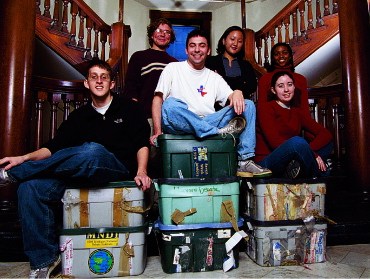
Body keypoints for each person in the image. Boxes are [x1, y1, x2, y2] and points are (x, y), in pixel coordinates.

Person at [0, 59, 151, 279]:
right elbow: (52, 148)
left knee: (91, 151)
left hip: (116, 170)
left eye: (104, 77)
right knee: (29, 188)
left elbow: (142, 144)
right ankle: (44, 261)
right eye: (94, 77)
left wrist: (142, 171)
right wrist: (23, 158)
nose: (99, 81)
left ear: (111, 83)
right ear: (86, 84)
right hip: (78, 176)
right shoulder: (78, 116)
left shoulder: (130, 108)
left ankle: (10, 175)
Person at [150, 29, 271, 178]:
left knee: (248, 105)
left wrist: (237, 92)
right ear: (186, 50)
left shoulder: (214, 77)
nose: (197, 50)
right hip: (181, 124)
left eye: (202, 46)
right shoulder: (173, 68)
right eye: (192, 45)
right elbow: (158, 100)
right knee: (170, 105)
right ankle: (215, 133)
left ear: (208, 51)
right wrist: (157, 131)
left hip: (207, 120)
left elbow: (231, 97)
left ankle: (244, 161)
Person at [255, 71, 333, 179]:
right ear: (273, 90)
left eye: (290, 84)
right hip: (267, 162)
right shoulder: (265, 108)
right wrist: (313, 154)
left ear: (294, 87)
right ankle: (318, 174)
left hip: (292, 158)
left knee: (327, 143)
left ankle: (298, 171)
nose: (286, 89)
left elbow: (325, 134)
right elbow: (275, 143)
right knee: (298, 141)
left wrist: (309, 150)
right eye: (280, 86)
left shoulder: (297, 111)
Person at [123, 18, 177, 120]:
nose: (162, 34)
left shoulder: (174, 63)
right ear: (152, 35)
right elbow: (130, 86)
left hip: (168, 118)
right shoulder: (139, 56)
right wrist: (135, 112)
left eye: (167, 32)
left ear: (170, 37)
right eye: (158, 30)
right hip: (144, 116)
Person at [205, 26, 257, 101]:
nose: (235, 43)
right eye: (232, 39)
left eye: (239, 41)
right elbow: (208, 87)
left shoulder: (246, 65)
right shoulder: (211, 62)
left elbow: (252, 86)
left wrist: (222, 81)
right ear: (224, 41)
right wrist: (240, 84)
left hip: (241, 104)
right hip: (217, 106)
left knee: (249, 104)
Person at [257, 42, 309, 114]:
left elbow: (305, 108)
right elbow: (261, 108)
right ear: (273, 58)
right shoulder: (265, 79)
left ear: (290, 56)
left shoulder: (301, 79)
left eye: (285, 53)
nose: (281, 56)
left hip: (296, 121)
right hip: (272, 120)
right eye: (276, 54)